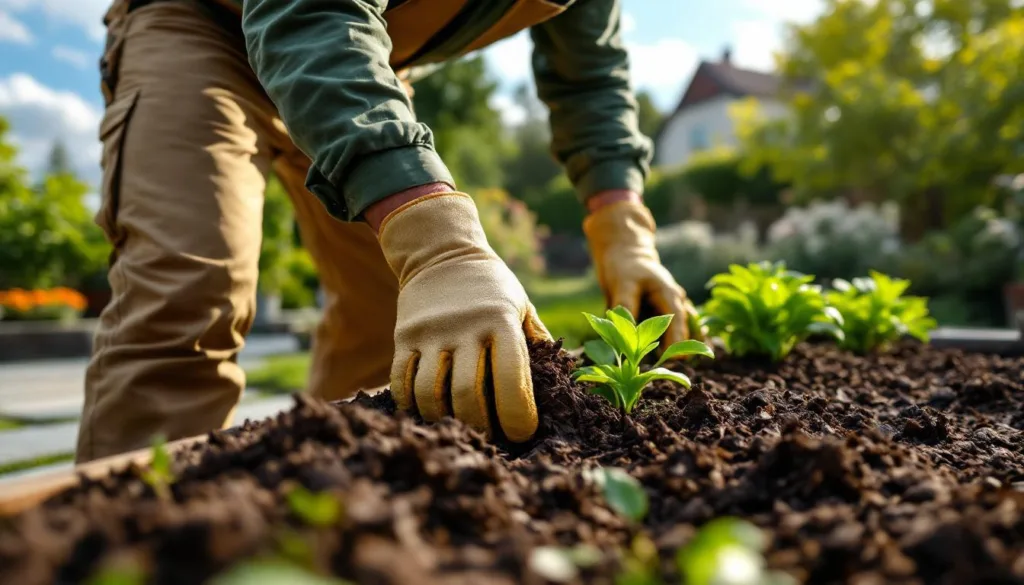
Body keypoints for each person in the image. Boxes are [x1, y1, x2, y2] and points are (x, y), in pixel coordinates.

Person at [78, 0, 700, 463]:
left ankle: (337, 518)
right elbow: (308, 15)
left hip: (362, 59)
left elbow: (591, 76)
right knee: (187, 299)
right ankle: (127, 546)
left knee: (400, 328)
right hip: (206, 27)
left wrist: (622, 224)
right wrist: (438, 245)